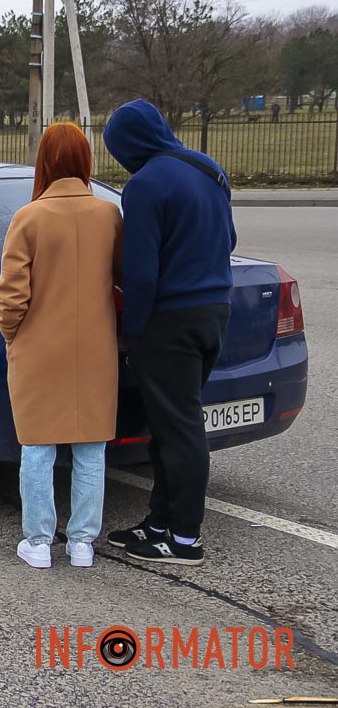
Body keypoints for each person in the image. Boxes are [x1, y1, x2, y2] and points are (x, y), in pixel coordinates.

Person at [103, 99, 237, 566]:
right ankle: (157, 523)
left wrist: (132, 333)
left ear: (128, 146)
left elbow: (141, 272)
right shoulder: (208, 169)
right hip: (214, 311)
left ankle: (184, 539)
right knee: (168, 425)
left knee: (179, 430)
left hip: (170, 321)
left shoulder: (143, 186)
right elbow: (230, 240)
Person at [0, 123, 123, 570]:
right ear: (85, 161)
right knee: (91, 448)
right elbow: (122, 281)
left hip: (37, 349)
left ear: (45, 162)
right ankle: (83, 543)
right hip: (96, 348)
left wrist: (12, 335)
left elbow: (12, 295)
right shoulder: (109, 215)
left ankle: (39, 542)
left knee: (38, 447)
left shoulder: (28, 217)